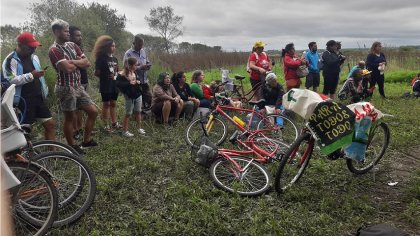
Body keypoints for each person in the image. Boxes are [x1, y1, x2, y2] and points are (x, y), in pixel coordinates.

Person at [48, 19, 98, 151]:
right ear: (56, 32)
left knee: (93, 111)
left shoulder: (72, 45)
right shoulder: (54, 50)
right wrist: (77, 62)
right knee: (69, 118)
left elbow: (87, 63)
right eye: (65, 31)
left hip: (78, 86)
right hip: (65, 87)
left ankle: (86, 141)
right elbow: (67, 69)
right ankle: (72, 146)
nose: (68, 33)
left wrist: (71, 62)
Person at [2, 32, 56, 140]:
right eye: (30, 47)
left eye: (35, 47)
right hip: (22, 100)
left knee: (50, 124)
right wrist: (31, 75)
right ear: (21, 45)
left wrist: (40, 80)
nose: (33, 49)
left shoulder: (34, 57)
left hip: (38, 97)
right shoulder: (10, 60)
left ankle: (53, 155)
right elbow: (10, 80)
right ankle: (26, 155)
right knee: (24, 131)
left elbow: (37, 76)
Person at [93, 35, 121, 133]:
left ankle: (114, 122)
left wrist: (116, 77)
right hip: (106, 85)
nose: (114, 48)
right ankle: (105, 125)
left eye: (114, 46)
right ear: (106, 47)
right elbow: (96, 72)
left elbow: (118, 71)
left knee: (113, 103)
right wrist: (105, 76)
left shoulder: (115, 59)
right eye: (112, 46)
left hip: (115, 85)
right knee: (106, 104)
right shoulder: (101, 58)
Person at [116, 57, 145, 137]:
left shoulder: (134, 72)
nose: (136, 66)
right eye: (135, 65)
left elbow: (138, 80)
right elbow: (118, 84)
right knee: (128, 113)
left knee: (138, 111)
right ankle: (125, 131)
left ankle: (139, 128)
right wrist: (129, 83)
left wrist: (138, 81)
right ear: (130, 65)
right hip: (129, 96)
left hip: (138, 95)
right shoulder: (122, 74)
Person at [123, 35, 152, 110]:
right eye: (139, 44)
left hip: (144, 80)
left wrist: (148, 65)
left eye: (142, 44)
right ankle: (136, 115)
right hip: (134, 81)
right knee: (137, 101)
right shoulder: (128, 54)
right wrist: (140, 67)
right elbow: (127, 67)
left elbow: (147, 61)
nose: (141, 46)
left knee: (149, 97)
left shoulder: (143, 51)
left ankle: (146, 114)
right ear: (134, 43)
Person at [69, 26, 87, 140]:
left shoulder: (79, 48)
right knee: (74, 109)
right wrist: (80, 62)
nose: (80, 37)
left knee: (80, 108)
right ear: (70, 36)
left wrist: (81, 62)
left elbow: (87, 63)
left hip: (84, 80)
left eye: (80, 35)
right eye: (77, 35)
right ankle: (74, 130)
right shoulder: (68, 49)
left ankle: (80, 128)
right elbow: (69, 65)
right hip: (74, 83)